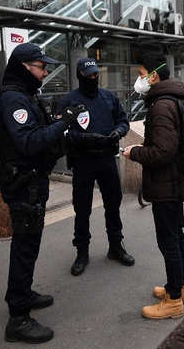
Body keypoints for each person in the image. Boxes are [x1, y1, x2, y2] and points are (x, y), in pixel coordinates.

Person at [0, 43, 84, 344]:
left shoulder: (24, 96)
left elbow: (36, 134)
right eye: (40, 67)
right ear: (23, 67)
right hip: (23, 184)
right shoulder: (13, 99)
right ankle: (18, 318)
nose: (45, 72)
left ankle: (22, 294)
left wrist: (57, 123)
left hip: (30, 181)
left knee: (27, 244)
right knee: (25, 246)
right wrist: (65, 123)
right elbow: (29, 143)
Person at [123, 52, 184, 320]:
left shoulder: (162, 105)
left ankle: (174, 301)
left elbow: (163, 152)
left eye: (141, 74)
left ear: (154, 75)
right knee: (177, 237)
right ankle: (179, 288)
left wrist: (136, 152)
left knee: (169, 242)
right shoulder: (173, 98)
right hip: (175, 181)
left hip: (167, 184)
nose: (138, 80)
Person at [57, 57, 134, 277]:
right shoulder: (68, 101)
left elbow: (123, 121)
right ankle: (82, 252)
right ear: (79, 74)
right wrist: (82, 138)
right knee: (82, 208)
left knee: (113, 204)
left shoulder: (109, 98)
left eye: (95, 74)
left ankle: (115, 246)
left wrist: (118, 132)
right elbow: (60, 131)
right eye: (88, 74)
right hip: (83, 161)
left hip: (107, 159)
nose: (93, 78)